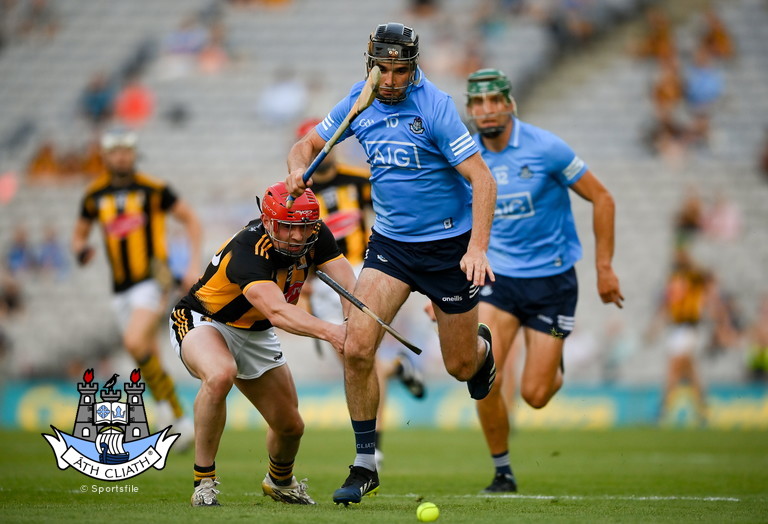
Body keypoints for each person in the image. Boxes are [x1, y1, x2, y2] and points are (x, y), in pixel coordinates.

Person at [285, 22, 498, 505]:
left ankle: (481, 351)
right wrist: (297, 169)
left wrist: (477, 248)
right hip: (391, 247)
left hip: (449, 248)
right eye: (384, 69)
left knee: (461, 366)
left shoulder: (436, 108)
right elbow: (307, 146)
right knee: (357, 348)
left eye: (402, 70)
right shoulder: (357, 103)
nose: (392, 80)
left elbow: (482, 181)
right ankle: (364, 463)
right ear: (371, 65)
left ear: (413, 67)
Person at [463, 68, 623, 493]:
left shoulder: (546, 148)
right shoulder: (466, 156)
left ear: (510, 103)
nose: (487, 110)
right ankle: (502, 471)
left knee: (535, 394)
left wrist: (604, 268)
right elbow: (456, 221)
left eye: (495, 100)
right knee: (483, 368)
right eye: (478, 103)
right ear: (470, 111)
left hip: (553, 283)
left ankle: (553, 363)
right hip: (499, 279)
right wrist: (443, 286)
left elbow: (602, 197)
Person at [169, 182, 355, 506]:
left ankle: (280, 482)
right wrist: (333, 332)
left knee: (291, 426)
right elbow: (279, 311)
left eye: (304, 227)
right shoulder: (249, 248)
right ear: (268, 221)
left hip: (255, 332)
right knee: (220, 374)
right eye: (287, 226)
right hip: (205, 319)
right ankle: (204, 480)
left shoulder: (316, 235)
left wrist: (353, 323)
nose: (297, 237)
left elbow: (347, 283)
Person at [294, 118, 427, 467]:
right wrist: (303, 285)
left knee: (359, 358)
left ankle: (373, 448)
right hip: (323, 284)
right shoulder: (297, 193)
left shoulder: (358, 181)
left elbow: (390, 216)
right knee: (355, 361)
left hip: (361, 273)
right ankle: (397, 367)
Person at [71, 128, 201, 448]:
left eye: (126, 151)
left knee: (133, 341)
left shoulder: (152, 190)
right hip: (119, 288)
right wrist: (80, 250)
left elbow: (192, 220)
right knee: (146, 353)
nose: (121, 157)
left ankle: (176, 417)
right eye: (114, 152)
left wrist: (192, 265)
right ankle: (172, 414)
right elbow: (79, 235)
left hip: (153, 280)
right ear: (104, 156)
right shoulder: (94, 196)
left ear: (134, 154)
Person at [646, 248, 712, 425]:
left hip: (689, 327)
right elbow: (666, 305)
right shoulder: (673, 279)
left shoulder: (693, 276)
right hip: (676, 329)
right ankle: (703, 411)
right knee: (690, 372)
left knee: (674, 368)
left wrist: (690, 260)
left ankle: (663, 409)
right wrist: (655, 327)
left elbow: (708, 276)